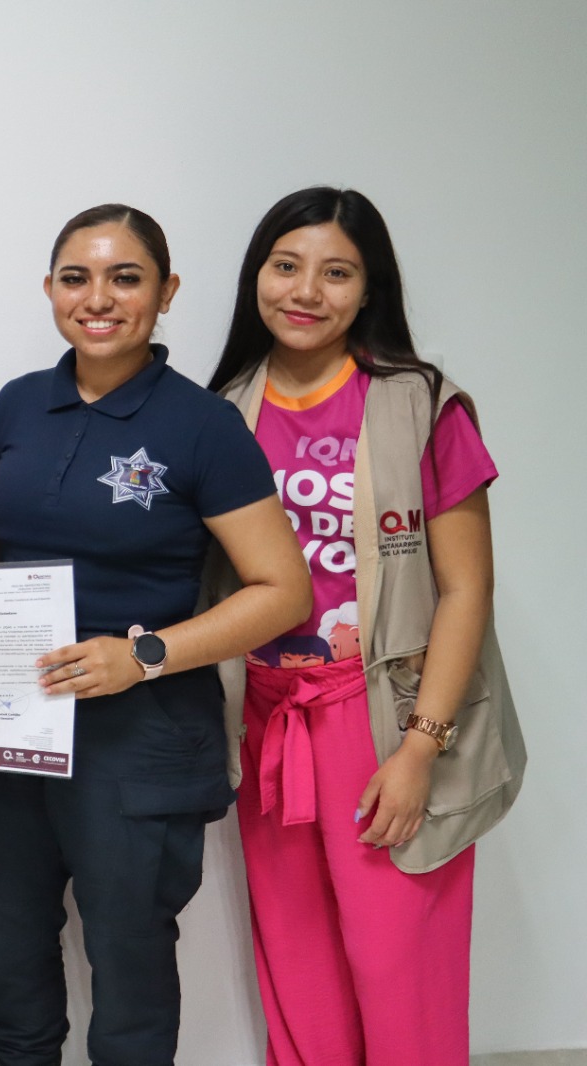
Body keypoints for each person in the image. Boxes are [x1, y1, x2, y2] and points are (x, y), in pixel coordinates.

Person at [0, 204, 312, 1066]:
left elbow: (283, 590)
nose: (98, 298)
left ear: (167, 291)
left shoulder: (202, 425)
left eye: (126, 277)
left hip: (140, 734)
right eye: (76, 278)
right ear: (49, 290)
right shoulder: (15, 406)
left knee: (131, 964)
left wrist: (143, 656)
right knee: (9, 958)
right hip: (9, 727)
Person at [207, 186, 526, 1065]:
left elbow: (467, 590)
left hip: (384, 718)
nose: (306, 291)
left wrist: (421, 748)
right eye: (286, 266)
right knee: (298, 968)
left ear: (368, 289)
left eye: (336, 272)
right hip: (268, 721)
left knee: (398, 967)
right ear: (256, 278)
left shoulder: (421, 403)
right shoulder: (222, 408)